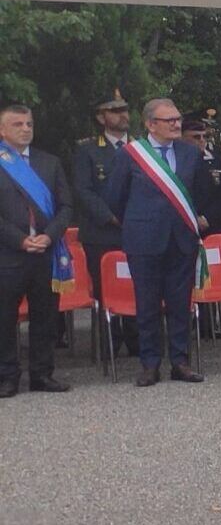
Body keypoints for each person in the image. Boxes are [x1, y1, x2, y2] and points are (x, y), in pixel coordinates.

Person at [105, 98, 216, 385]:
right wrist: (140, 221)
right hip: (144, 240)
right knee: (148, 304)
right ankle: (149, 364)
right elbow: (115, 198)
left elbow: (201, 191)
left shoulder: (189, 153)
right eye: (169, 120)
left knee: (181, 304)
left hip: (181, 240)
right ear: (150, 124)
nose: (176, 124)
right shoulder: (131, 155)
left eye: (177, 119)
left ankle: (180, 362)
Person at [0, 104, 74, 396]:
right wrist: (19, 239)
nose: (25, 129)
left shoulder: (49, 162)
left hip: (45, 252)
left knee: (45, 317)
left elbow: (66, 206)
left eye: (29, 124)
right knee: (5, 318)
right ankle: (7, 376)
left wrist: (49, 236)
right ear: (3, 130)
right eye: (18, 124)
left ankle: (42, 374)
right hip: (9, 254)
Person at [70, 92, 134, 355]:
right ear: (101, 117)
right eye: (115, 110)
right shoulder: (87, 149)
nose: (123, 115)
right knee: (105, 287)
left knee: (135, 283)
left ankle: (137, 338)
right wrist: (110, 217)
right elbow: (83, 190)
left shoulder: (140, 147)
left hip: (136, 229)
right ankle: (109, 342)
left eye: (125, 109)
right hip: (102, 232)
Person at [182, 111, 221, 340]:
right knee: (185, 273)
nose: (201, 141)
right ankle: (185, 320)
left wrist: (207, 218)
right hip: (185, 224)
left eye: (204, 136)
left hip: (212, 226)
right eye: (195, 137)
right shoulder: (176, 161)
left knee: (209, 273)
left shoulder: (219, 160)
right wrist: (193, 217)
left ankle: (208, 322)